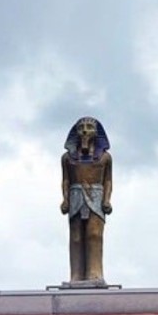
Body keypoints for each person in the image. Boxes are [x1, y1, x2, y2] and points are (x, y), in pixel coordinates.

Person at [61, 117, 112, 285]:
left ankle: (94, 272)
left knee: (94, 234)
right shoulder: (68, 158)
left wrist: (106, 200)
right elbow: (66, 180)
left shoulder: (105, 158)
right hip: (75, 195)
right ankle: (76, 274)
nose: (84, 131)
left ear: (96, 133)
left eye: (89, 127)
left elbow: (108, 181)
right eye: (81, 127)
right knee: (76, 237)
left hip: (96, 195)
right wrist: (65, 199)